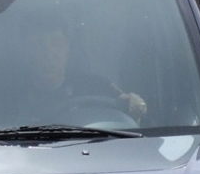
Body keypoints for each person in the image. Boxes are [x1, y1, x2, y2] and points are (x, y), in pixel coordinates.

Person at [19, 28, 147, 122]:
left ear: (68, 49)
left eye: (56, 43)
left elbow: (128, 120)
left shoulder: (98, 88)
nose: (48, 53)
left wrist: (134, 104)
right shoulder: (7, 98)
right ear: (25, 53)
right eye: (38, 44)